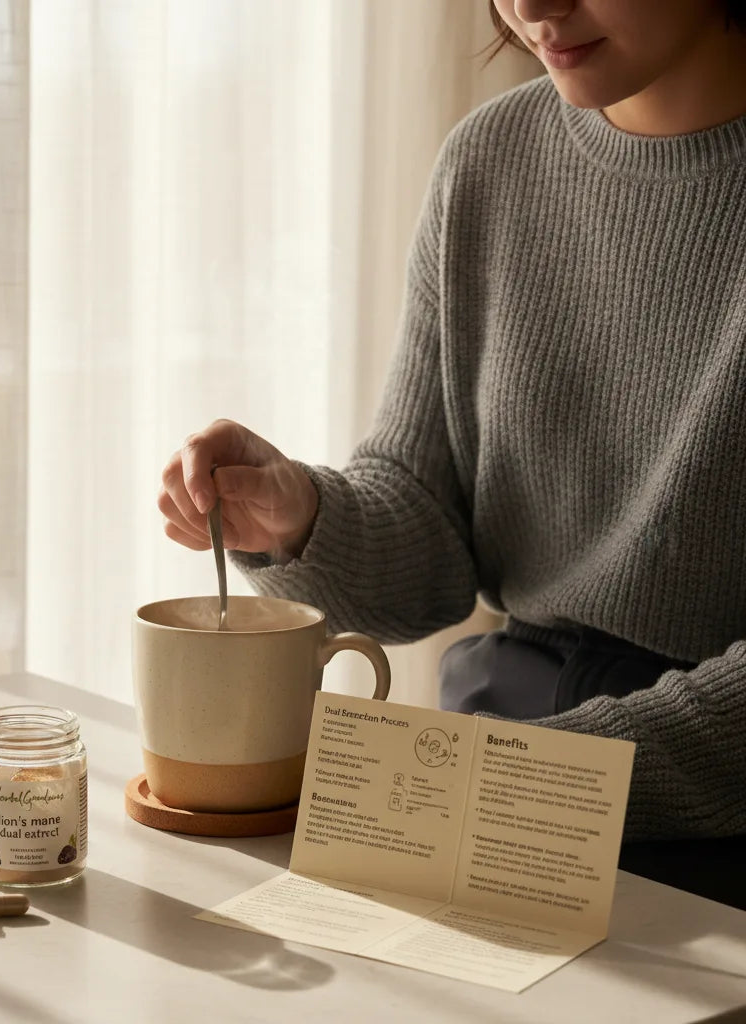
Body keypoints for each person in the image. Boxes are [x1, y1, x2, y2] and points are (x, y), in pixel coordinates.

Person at [158, 0, 746, 910]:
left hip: (701, 828)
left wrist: (535, 782)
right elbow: (430, 547)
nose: (534, 8)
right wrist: (303, 516)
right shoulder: (491, 159)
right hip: (497, 769)